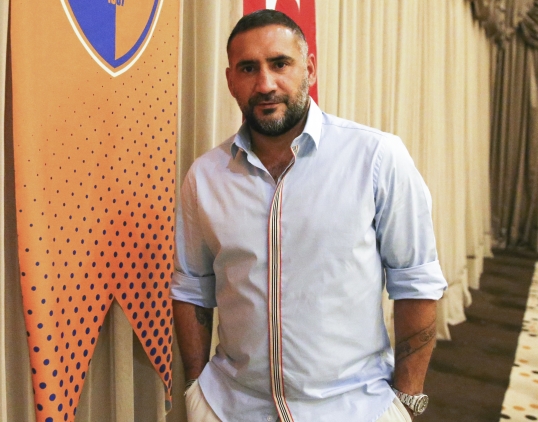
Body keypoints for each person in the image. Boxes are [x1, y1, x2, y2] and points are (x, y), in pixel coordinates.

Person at [170, 10, 447, 422]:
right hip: (231, 409)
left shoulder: (376, 158)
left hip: (354, 410)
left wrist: (407, 401)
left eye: (280, 63)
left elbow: (416, 281)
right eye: (248, 68)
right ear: (230, 81)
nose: (265, 84)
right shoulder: (205, 176)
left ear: (310, 69)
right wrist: (196, 389)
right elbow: (193, 287)